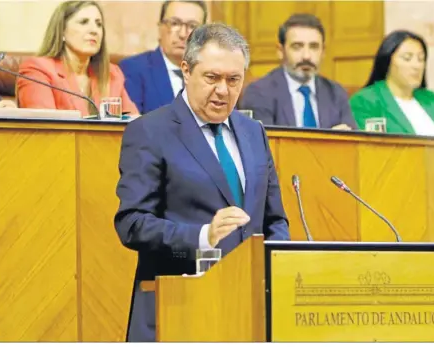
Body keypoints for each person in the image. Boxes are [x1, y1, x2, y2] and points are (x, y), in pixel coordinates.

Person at [114, 23, 290, 342]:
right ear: (186, 70)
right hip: (178, 308)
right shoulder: (150, 131)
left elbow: (274, 218)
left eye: (233, 79)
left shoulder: (253, 132)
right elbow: (132, 223)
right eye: (212, 78)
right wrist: (203, 236)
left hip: (249, 311)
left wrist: (278, 259)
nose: (223, 90)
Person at [17, 1, 138, 117]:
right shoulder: (37, 70)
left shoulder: (111, 74)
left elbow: (135, 124)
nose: (94, 30)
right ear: (62, 31)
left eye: (99, 24)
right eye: (83, 22)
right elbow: (45, 130)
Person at [239, 13, 356, 130]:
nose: (306, 56)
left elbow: (354, 143)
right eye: (297, 46)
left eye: (314, 47)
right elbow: (264, 143)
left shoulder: (336, 93)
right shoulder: (260, 93)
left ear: (323, 51)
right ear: (280, 51)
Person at [350, 30, 434, 136]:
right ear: (387, 62)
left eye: (421, 59)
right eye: (407, 58)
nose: (417, 66)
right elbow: (370, 148)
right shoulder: (365, 101)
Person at [119, 0, 207, 114]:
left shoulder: (213, 74)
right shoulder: (134, 69)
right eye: (175, 23)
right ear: (160, 28)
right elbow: (134, 127)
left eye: (192, 26)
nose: (182, 34)